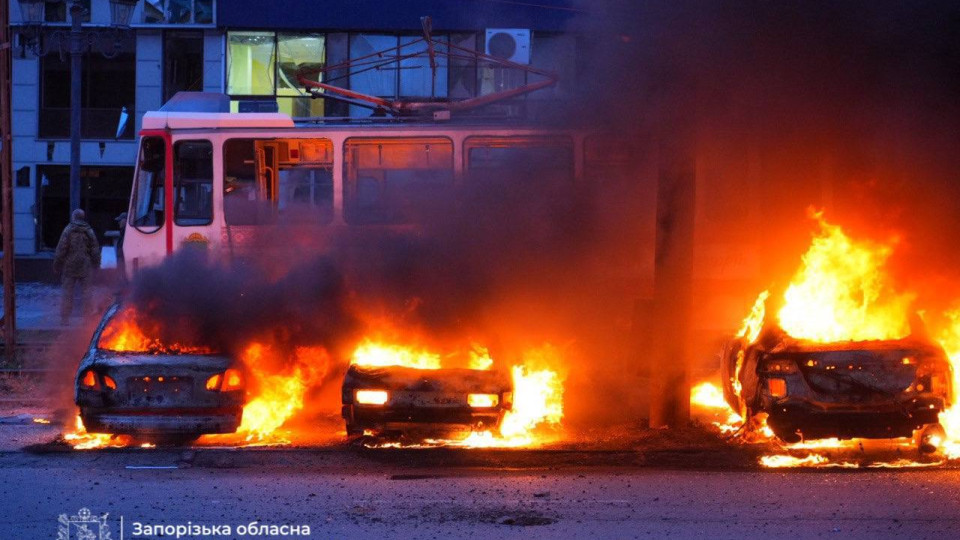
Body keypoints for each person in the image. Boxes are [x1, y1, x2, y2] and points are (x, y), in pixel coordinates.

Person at [53, 208, 100, 324]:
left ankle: (65, 319)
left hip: (69, 267)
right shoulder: (89, 231)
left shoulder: (68, 230)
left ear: (73, 217)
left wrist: (57, 265)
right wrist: (96, 265)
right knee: (87, 294)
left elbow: (61, 249)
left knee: (67, 293)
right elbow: (95, 250)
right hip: (85, 266)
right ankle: (87, 319)